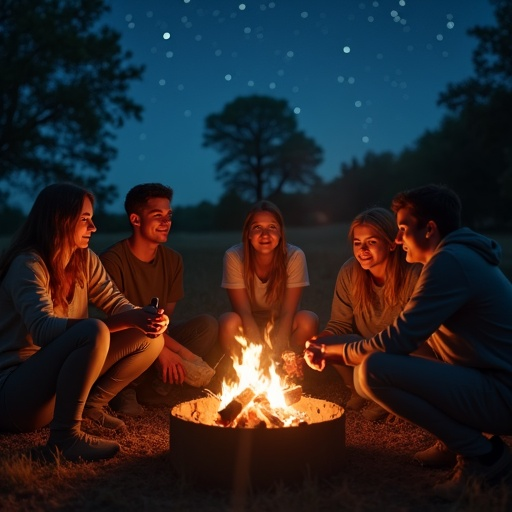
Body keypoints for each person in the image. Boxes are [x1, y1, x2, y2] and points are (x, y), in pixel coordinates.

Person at [304, 184, 512, 501]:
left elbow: (401, 338)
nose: (397, 238)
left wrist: (337, 351)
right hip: (490, 380)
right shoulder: (454, 257)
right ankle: (454, 440)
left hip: (502, 393)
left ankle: (482, 456)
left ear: (429, 229)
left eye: (402, 228)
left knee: (372, 370)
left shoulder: (449, 263)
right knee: (380, 361)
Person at [0, 183, 167, 462]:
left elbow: (114, 301)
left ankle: (90, 404)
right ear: (58, 220)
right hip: (16, 398)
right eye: (84, 219)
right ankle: (64, 438)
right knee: (93, 329)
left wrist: (145, 316)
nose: (93, 227)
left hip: (57, 387)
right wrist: (124, 319)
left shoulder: (84, 259)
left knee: (148, 336)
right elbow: (42, 329)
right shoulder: (28, 265)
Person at [100, 183, 218, 416]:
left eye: (168, 215)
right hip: (123, 339)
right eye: (157, 216)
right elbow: (115, 322)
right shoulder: (112, 261)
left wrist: (180, 353)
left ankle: (158, 387)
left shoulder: (173, 260)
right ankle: (125, 388)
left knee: (207, 326)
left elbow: (166, 319)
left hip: (157, 334)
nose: (166, 222)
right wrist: (168, 353)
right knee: (136, 335)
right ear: (135, 219)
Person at [313, 207, 423, 421]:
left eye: (371, 242)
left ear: (392, 243)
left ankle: (398, 398)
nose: (362, 249)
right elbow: (339, 324)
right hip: (363, 351)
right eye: (357, 243)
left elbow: (416, 337)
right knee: (330, 343)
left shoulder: (414, 273)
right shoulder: (349, 271)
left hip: (402, 352)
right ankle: (358, 389)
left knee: (373, 372)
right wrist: (319, 342)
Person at [219, 200, 318, 364]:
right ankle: (246, 370)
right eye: (257, 227)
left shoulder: (294, 256)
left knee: (308, 319)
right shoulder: (234, 256)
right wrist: (258, 353)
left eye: (272, 227)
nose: (265, 234)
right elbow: (243, 312)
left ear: (280, 233)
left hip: (283, 323)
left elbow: (288, 312)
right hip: (248, 324)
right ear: (248, 234)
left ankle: (289, 368)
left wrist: (277, 353)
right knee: (228, 321)